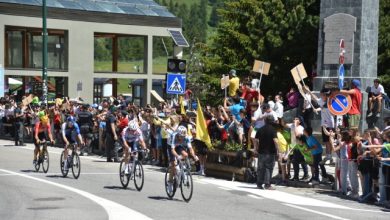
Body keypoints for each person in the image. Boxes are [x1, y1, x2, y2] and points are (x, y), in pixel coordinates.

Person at [167, 126, 199, 193]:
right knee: (174, 165)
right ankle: (170, 183)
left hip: (178, 146)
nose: (182, 138)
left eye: (183, 136)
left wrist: (194, 156)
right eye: (181, 136)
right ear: (178, 135)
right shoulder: (174, 136)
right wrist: (177, 156)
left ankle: (182, 166)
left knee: (185, 154)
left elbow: (190, 149)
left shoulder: (186, 137)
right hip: (170, 146)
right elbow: (172, 150)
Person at [255, 115, 279, 190]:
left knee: (260, 168)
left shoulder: (260, 129)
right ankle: (267, 184)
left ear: (265, 121)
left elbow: (256, 140)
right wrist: (278, 150)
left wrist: (256, 148)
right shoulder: (273, 130)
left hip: (261, 152)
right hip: (270, 152)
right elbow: (275, 141)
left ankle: (259, 184)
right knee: (268, 168)